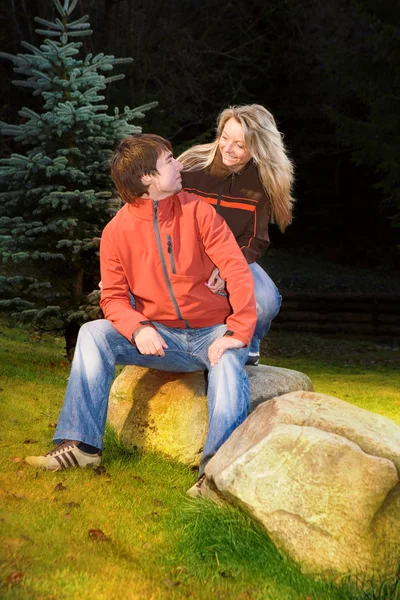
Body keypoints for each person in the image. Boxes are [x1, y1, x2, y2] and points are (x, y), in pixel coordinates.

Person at [25, 134, 256, 496]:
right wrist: (137, 328)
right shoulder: (116, 232)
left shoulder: (198, 211)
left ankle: (214, 475)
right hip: (162, 337)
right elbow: (114, 298)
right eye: (169, 161)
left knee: (228, 363)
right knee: (93, 332)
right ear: (147, 179)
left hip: (213, 331)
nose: (180, 165)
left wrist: (238, 332)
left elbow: (237, 271)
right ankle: (83, 446)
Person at [179, 104, 295, 365]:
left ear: (258, 147)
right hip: (186, 255)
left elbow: (256, 239)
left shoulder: (262, 181)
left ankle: (248, 339)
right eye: (225, 138)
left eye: (240, 145)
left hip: (232, 257)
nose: (228, 149)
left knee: (264, 301)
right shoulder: (191, 166)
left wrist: (227, 268)